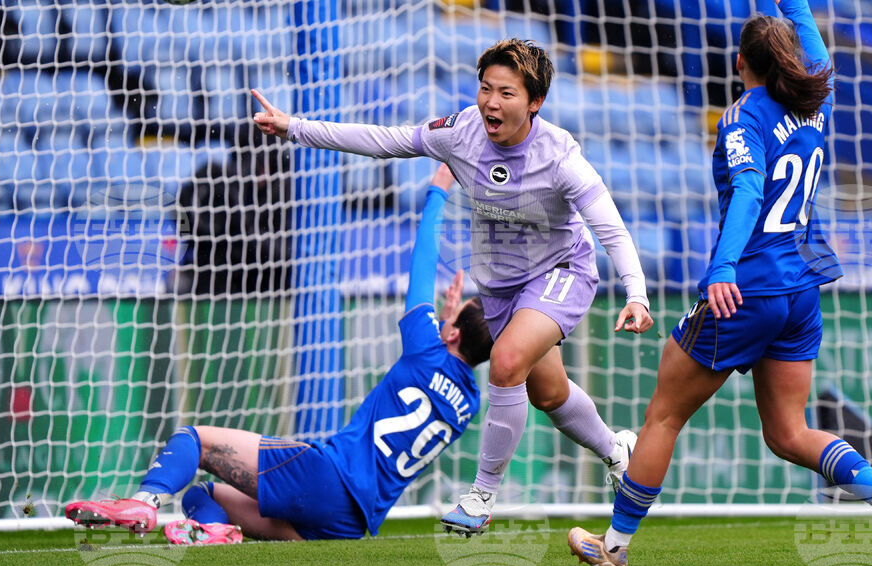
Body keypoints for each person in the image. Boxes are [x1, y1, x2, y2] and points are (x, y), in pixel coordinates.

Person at [568, 0, 872, 566]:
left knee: (664, 413)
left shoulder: (743, 117)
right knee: (788, 433)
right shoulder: (815, 104)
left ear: (741, 63)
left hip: (749, 286)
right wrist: (800, 8)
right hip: (802, 288)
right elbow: (821, 65)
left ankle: (613, 548)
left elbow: (746, 189)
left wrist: (722, 268)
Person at [251, 37, 654, 536]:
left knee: (506, 362)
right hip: (502, 288)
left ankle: (480, 496)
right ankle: (618, 451)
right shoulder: (460, 132)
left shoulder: (559, 156)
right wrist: (296, 128)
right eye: (485, 88)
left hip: (562, 273)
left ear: (535, 102)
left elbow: (609, 227)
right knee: (548, 394)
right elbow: (386, 140)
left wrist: (635, 292)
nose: (490, 102)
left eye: (506, 93)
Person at [65, 164, 494, 543]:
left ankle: (144, 502)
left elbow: (422, 263)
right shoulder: (469, 403)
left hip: (326, 476)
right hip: (348, 522)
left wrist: (438, 190)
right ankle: (213, 536)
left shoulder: (425, 345)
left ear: (452, 333)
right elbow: (455, 359)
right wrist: (453, 323)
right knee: (203, 497)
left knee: (192, 439)